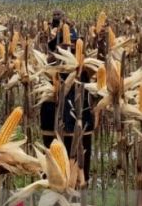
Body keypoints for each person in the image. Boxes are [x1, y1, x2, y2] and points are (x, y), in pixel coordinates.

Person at [41, 21, 94, 183]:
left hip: (81, 125)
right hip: (52, 125)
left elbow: (98, 86)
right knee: (55, 173)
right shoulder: (50, 67)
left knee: (80, 171)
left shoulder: (86, 70)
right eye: (65, 47)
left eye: (72, 46)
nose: (69, 50)